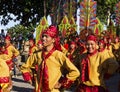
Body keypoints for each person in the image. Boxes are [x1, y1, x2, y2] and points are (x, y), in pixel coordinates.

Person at [21, 25, 80, 92]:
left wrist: (62, 83)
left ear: (53, 40)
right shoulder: (38, 54)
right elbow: (24, 67)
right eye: (43, 36)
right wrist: (29, 79)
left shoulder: (59, 55)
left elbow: (75, 72)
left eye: (46, 36)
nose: (43, 38)